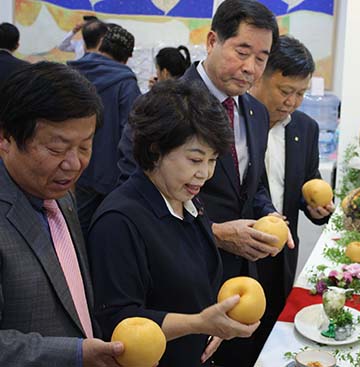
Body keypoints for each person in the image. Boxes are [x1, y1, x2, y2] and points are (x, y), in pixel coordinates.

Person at [87, 80, 259, 367]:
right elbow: (118, 322)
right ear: (155, 150)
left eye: (213, 160)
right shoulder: (119, 221)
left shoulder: (186, 200)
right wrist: (198, 323)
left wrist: (214, 322)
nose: (204, 173)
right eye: (195, 160)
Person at [0, 61, 126, 366]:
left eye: (85, 147)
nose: (73, 164)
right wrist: (76, 354)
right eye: (57, 149)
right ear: (6, 138)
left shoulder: (60, 193)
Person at [248, 35, 335, 357]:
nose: (292, 102)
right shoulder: (238, 122)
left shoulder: (305, 127)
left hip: (283, 249)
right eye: (285, 91)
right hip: (240, 248)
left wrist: (319, 208)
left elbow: (308, 184)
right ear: (261, 76)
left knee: (274, 327)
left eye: (301, 93)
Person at [69, 25, 141, 236]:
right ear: (127, 57)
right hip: (108, 172)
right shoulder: (125, 83)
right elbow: (132, 131)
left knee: (75, 226)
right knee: (105, 231)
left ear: (101, 44)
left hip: (72, 163)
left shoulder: (71, 72)